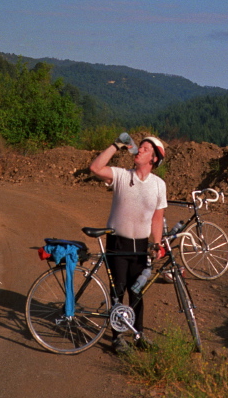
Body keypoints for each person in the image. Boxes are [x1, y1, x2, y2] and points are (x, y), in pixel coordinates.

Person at [89, 134, 167, 353]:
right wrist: (116, 145)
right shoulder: (122, 176)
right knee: (119, 290)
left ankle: (138, 335)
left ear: (154, 159)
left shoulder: (159, 185)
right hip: (118, 243)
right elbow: (95, 167)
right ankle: (117, 338)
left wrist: (158, 243)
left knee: (137, 292)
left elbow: (157, 219)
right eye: (139, 147)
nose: (139, 150)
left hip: (141, 245)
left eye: (145, 149)